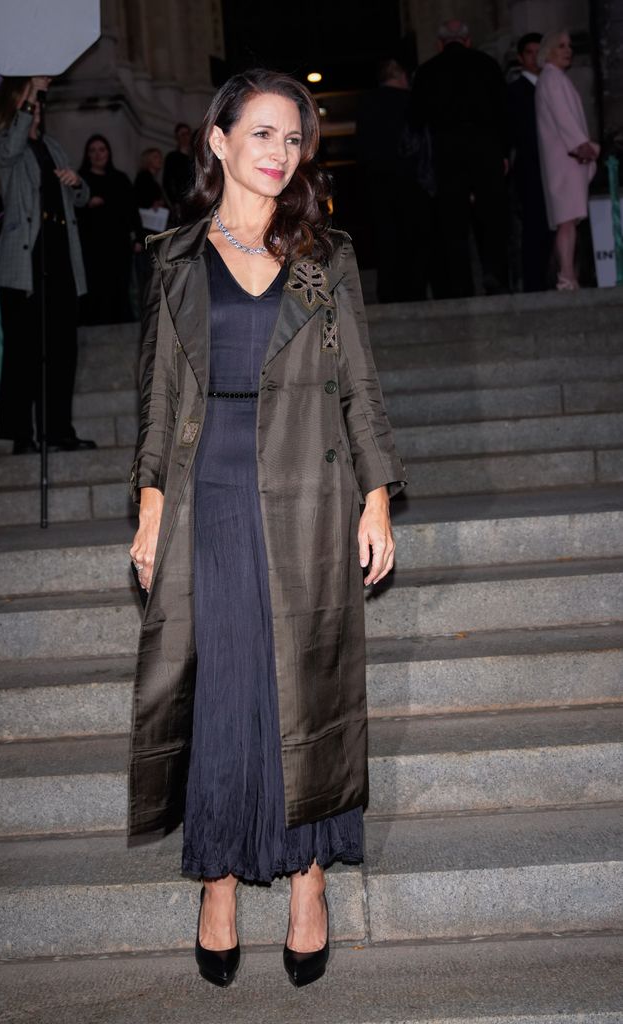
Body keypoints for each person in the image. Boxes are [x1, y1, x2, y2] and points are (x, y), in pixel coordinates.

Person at [128, 69, 406, 989]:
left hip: (308, 496)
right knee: (221, 695)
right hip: (207, 495)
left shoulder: (327, 257)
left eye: (293, 140)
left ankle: (308, 879)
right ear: (217, 142)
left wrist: (374, 496)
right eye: (262, 136)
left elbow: (359, 384)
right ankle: (214, 876)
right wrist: (149, 508)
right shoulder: (173, 259)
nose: (280, 155)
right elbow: (160, 399)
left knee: (308, 694)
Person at [0, 76, 96, 454]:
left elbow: (81, 198)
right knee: (23, 353)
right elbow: (9, 151)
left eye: (40, 103)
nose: (38, 109)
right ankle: (21, 435)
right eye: (32, 103)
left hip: (61, 255)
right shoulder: (5, 144)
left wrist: (77, 183)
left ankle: (57, 430)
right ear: (15, 107)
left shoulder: (52, 147)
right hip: (25, 263)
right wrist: (30, 89)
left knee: (63, 352)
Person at [410, 19, 510, 297]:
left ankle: (460, 286)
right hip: (486, 152)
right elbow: (504, 111)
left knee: (453, 225)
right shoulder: (487, 65)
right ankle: (495, 275)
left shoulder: (427, 72)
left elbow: (416, 120)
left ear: (441, 43)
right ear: (467, 40)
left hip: (448, 157)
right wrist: (504, 151)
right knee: (492, 218)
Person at [356, 58, 431, 302]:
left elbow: (362, 145)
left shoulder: (366, 103)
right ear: (402, 77)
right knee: (414, 237)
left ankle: (388, 291)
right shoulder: (411, 101)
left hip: (378, 181)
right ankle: (414, 290)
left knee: (386, 237)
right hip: (409, 180)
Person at [535, 30, 599, 291]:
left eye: (569, 46)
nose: (567, 50)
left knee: (568, 220)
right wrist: (581, 146)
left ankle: (568, 274)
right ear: (548, 51)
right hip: (565, 158)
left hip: (564, 158)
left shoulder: (554, 78)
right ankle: (566, 276)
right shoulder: (552, 79)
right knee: (566, 220)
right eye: (561, 45)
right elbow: (563, 117)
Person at [77, 134, 143, 325]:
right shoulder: (81, 180)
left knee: (119, 284)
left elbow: (132, 210)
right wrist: (86, 203)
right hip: (91, 246)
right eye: (93, 150)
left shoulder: (120, 178)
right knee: (95, 285)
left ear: (108, 153)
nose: (98, 154)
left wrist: (139, 238)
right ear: (87, 155)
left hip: (118, 244)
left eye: (102, 149)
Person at [508, 33, 554, 291]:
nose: (536, 58)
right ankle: (535, 284)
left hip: (555, 166)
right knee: (534, 228)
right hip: (531, 168)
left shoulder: (553, 83)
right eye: (530, 53)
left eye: (540, 52)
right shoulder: (515, 92)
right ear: (520, 58)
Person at [163, 123, 194, 225]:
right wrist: (175, 202)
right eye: (182, 134)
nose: (185, 136)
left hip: (196, 199)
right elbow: (167, 181)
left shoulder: (196, 157)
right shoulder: (172, 157)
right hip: (181, 202)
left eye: (187, 133)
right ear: (177, 137)